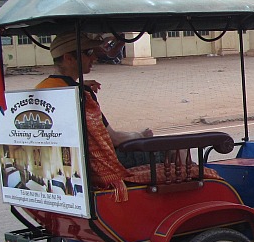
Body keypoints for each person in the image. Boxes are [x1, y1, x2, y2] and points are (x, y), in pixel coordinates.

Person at [37, 33, 213, 200]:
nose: (94, 58)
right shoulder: (81, 94)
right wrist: (139, 135)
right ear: (68, 58)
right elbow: (114, 139)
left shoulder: (43, 89)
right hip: (100, 166)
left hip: (65, 166)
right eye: (88, 53)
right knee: (178, 148)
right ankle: (191, 199)